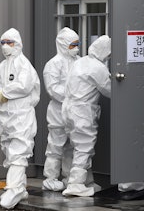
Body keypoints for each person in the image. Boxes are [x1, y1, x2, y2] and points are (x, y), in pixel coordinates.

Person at [0, 28, 40, 209]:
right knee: (8, 149)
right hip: (5, 115)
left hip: (21, 115)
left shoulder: (23, 64)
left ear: (18, 43)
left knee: (19, 152)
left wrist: (6, 92)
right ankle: (21, 188)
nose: (5, 46)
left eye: (9, 42)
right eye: (3, 43)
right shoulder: (2, 66)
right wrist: (0, 94)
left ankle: (13, 188)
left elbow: (25, 86)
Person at [61, 35, 112, 197]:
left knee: (74, 146)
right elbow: (109, 89)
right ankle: (76, 184)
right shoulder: (98, 67)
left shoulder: (80, 61)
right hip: (82, 111)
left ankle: (86, 181)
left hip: (68, 109)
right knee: (84, 147)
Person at [42, 27, 80, 191]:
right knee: (55, 146)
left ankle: (69, 178)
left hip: (74, 112)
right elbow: (52, 88)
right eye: (72, 45)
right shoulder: (53, 64)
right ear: (63, 45)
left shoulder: (78, 61)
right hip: (58, 112)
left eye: (77, 44)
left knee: (71, 147)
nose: (76, 48)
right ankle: (50, 178)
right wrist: (72, 96)